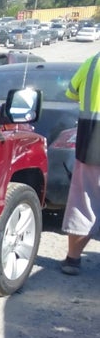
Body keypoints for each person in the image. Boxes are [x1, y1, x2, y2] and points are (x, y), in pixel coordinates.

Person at [60, 53, 100, 275]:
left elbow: (71, 93)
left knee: (84, 200)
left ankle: (72, 260)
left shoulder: (92, 62)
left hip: (93, 140)